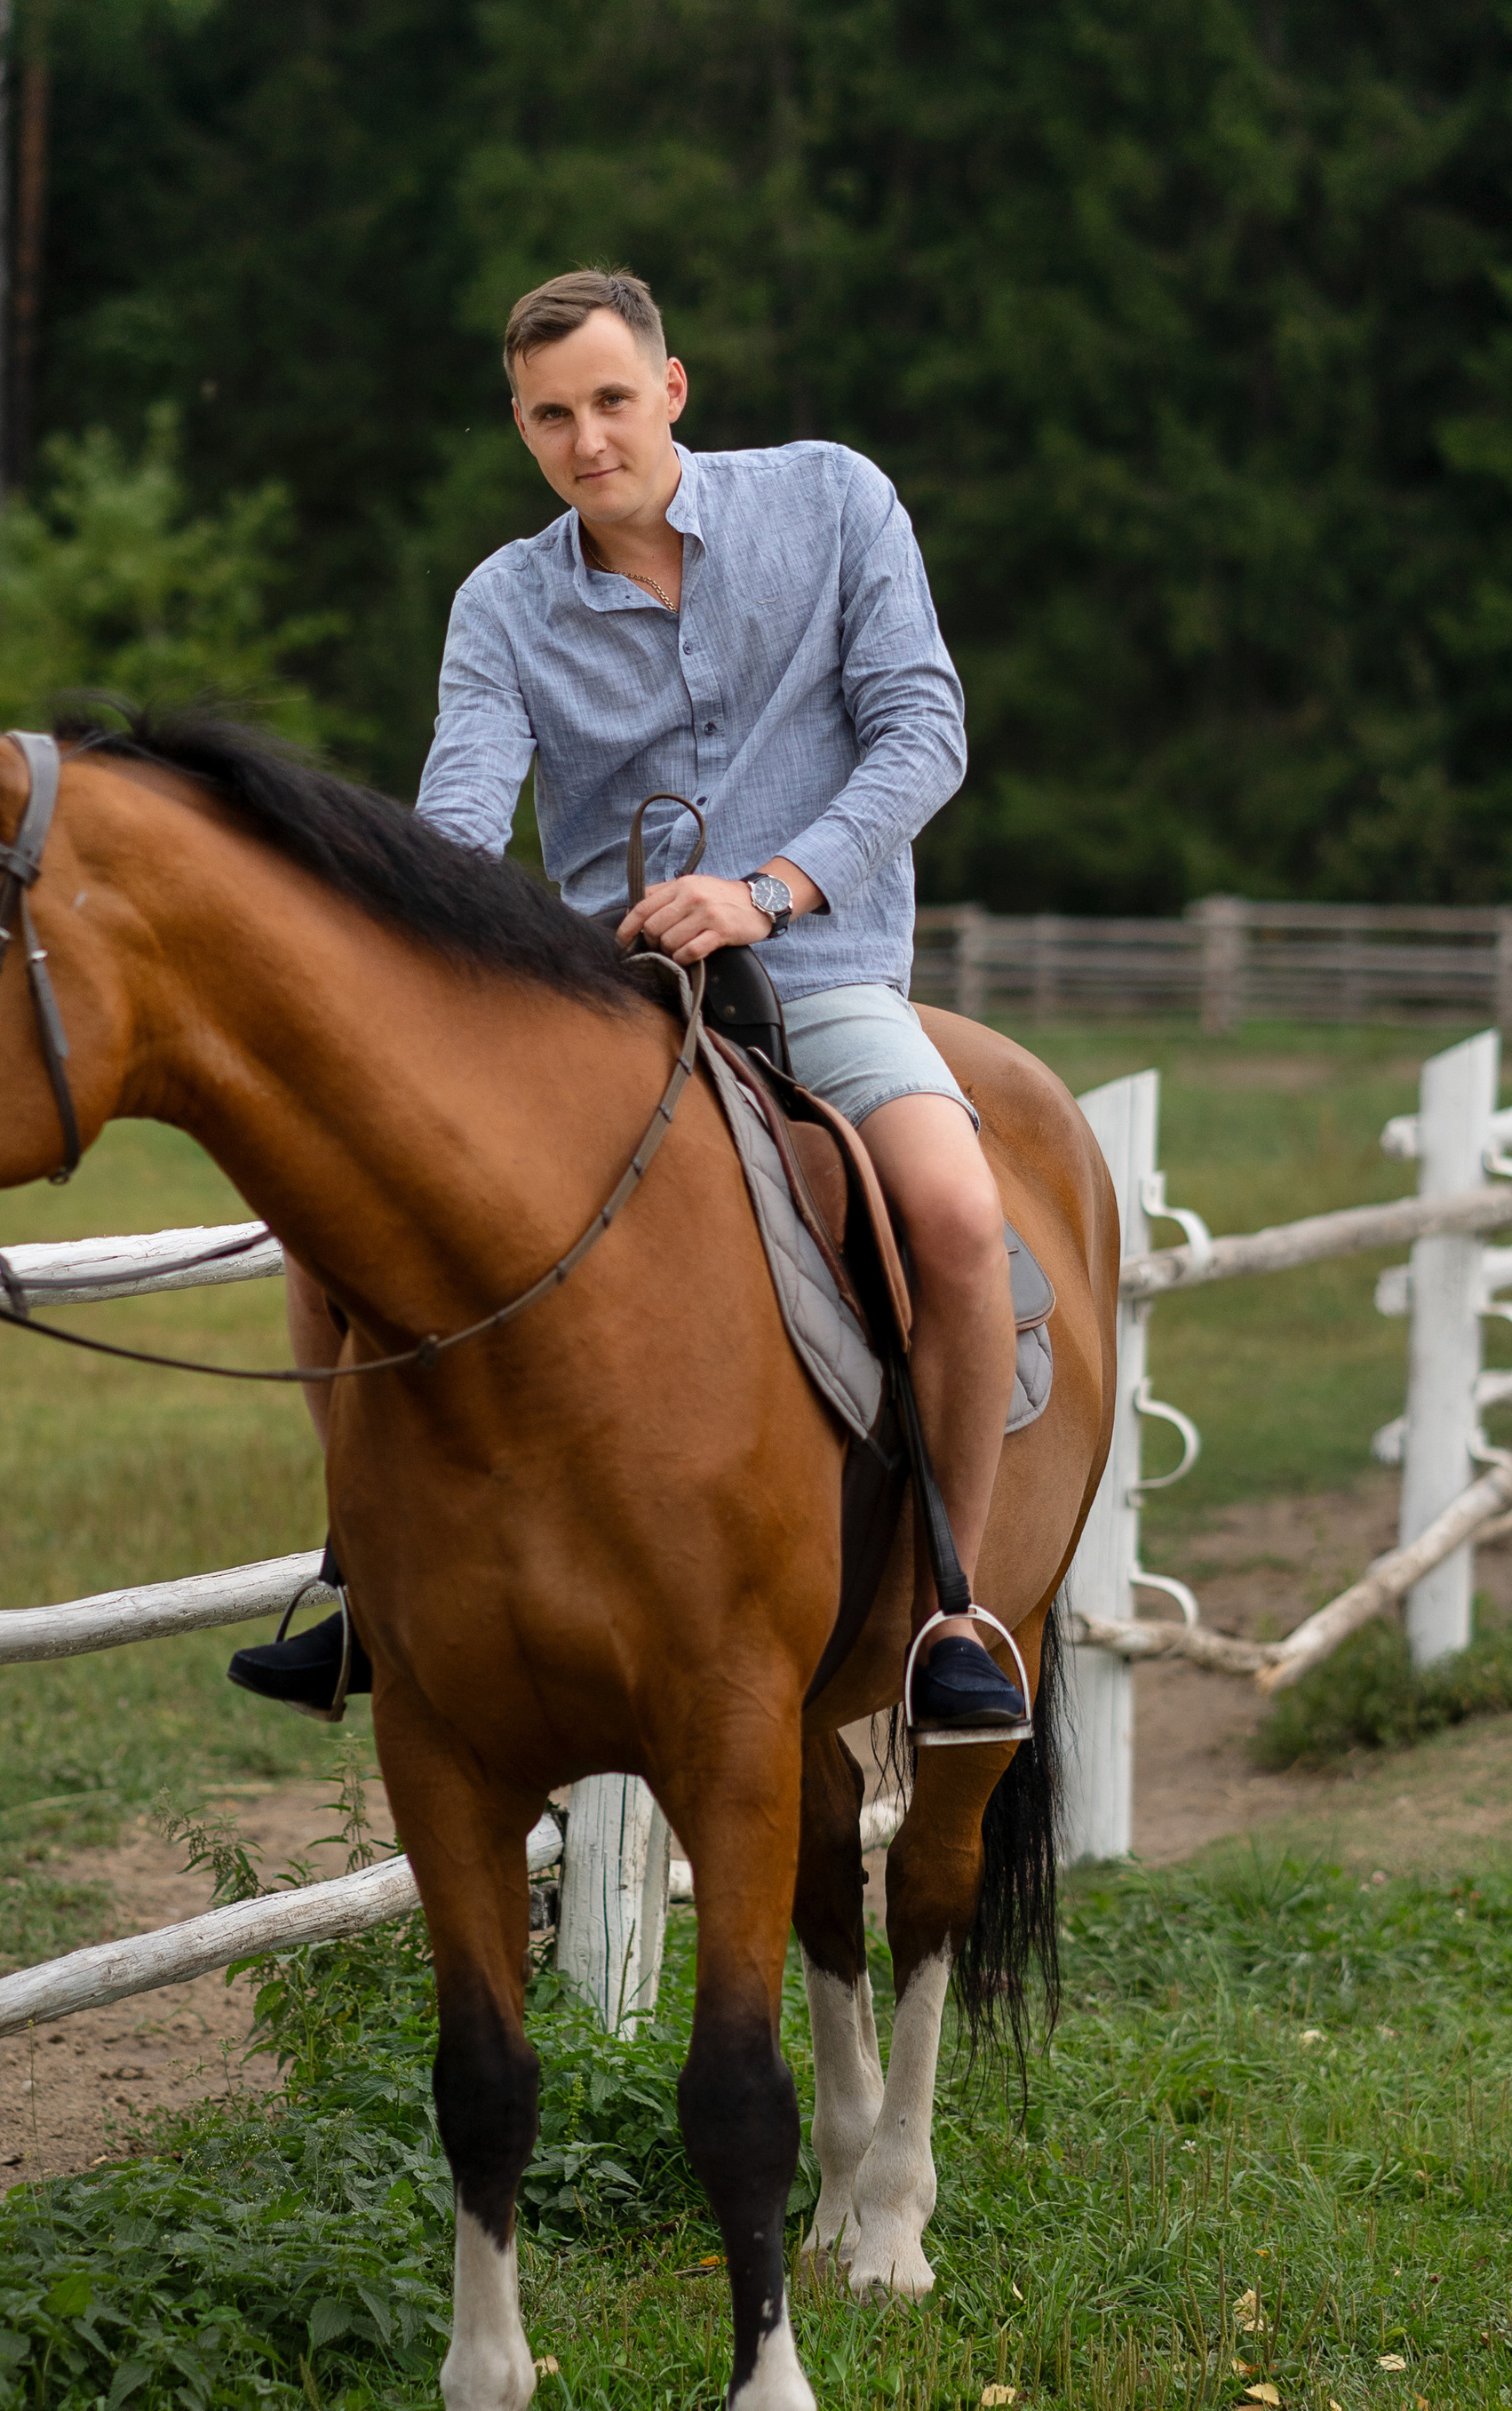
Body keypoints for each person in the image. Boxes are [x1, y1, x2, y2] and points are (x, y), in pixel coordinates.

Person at [229, 265, 1022, 1731]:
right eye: (549, 416)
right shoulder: (503, 602)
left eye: (608, 400)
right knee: (331, 1231)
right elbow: (461, 813)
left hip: (819, 965)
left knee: (962, 1223)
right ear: (522, 430)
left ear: (671, 388)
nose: (586, 439)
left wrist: (766, 889)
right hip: (603, 996)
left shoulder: (837, 499)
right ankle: (369, 1580)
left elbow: (924, 736)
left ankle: (948, 1613)